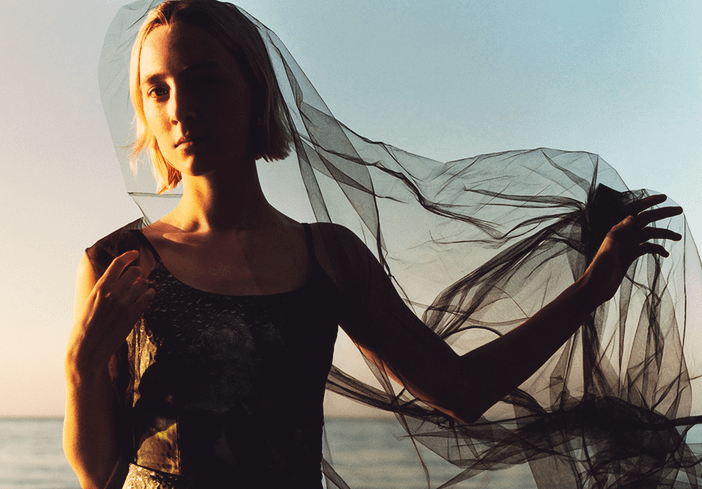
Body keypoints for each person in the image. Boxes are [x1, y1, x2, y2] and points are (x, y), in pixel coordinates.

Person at [64, 1, 697, 488]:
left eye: (203, 81)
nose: (179, 108)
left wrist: (592, 288)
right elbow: (98, 476)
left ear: (254, 89)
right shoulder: (119, 263)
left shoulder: (328, 257)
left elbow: (461, 391)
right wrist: (82, 364)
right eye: (158, 89)